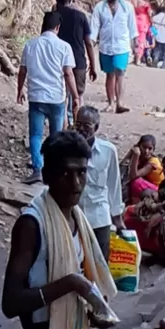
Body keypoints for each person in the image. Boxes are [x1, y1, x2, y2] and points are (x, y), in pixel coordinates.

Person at [17, 10, 80, 183]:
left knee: (36, 135)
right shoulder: (64, 47)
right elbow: (68, 73)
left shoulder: (30, 45)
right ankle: (53, 171)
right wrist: (75, 96)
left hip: (36, 96)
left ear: (43, 25)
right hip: (56, 98)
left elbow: (22, 71)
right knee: (55, 136)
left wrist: (19, 90)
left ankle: (37, 169)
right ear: (58, 27)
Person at [74, 105, 125, 253]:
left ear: (96, 127)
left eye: (87, 125)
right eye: (78, 124)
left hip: (99, 217)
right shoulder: (68, 147)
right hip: (73, 215)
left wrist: (117, 217)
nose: (81, 129)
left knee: (100, 261)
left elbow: (114, 185)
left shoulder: (108, 151)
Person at [89, 0, 139, 115]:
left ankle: (119, 103)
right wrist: (91, 41)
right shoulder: (100, 7)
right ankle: (110, 103)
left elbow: (132, 27)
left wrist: (136, 44)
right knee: (109, 75)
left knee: (120, 73)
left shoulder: (127, 7)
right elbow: (94, 27)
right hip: (105, 46)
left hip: (122, 46)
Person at [54, 0, 97, 103]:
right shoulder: (81, 16)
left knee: (61, 96)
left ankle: (63, 121)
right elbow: (88, 43)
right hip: (78, 61)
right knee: (78, 96)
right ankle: (78, 120)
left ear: (56, 0)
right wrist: (92, 66)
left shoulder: (53, 17)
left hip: (57, 61)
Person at [134, 0, 154, 64]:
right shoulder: (145, 4)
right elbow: (150, 14)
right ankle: (138, 59)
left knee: (135, 40)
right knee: (141, 41)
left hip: (135, 21)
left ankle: (134, 57)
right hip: (143, 22)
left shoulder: (132, 2)